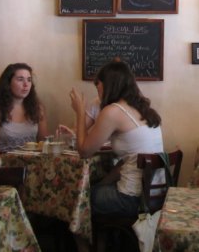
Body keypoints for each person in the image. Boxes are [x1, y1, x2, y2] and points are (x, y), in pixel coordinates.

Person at [69, 59, 164, 217]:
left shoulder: (112, 111)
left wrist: (80, 112)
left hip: (131, 198)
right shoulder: (142, 108)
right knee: (96, 187)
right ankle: (104, 241)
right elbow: (129, 161)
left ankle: (84, 243)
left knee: (75, 198)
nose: (97, 88)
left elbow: (84, 151)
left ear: (108, 84)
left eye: (98, 83)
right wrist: (103, 182)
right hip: (155, 194)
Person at [0, 63, 48, 165]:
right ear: (8, 83)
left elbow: (43, 144)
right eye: (20, 79)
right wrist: (10, 168)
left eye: (29, 80)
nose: (26, 84)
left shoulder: (38, 108)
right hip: (5, 168)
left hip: (33, 166)